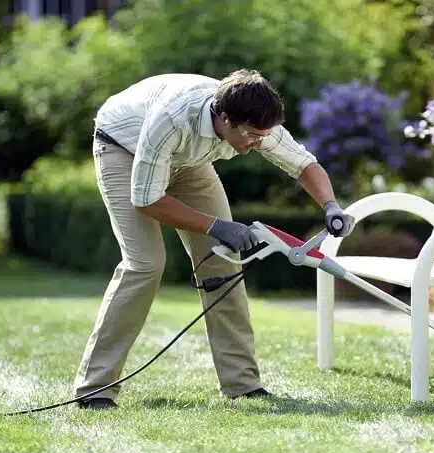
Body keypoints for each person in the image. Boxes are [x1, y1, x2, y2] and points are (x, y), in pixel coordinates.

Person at [72, 69, 355, 409]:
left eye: (261, 137)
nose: (255, 144)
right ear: (225, 118)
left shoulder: (255, 120)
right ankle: (95, 389)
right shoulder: (172, 120)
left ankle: (242, 384)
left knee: (224, 263)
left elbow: (303, 165)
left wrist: (331, 206)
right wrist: (216, 226)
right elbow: (147, 199)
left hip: (189, 160)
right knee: (146, 264)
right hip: (123, 148)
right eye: (250, 136)